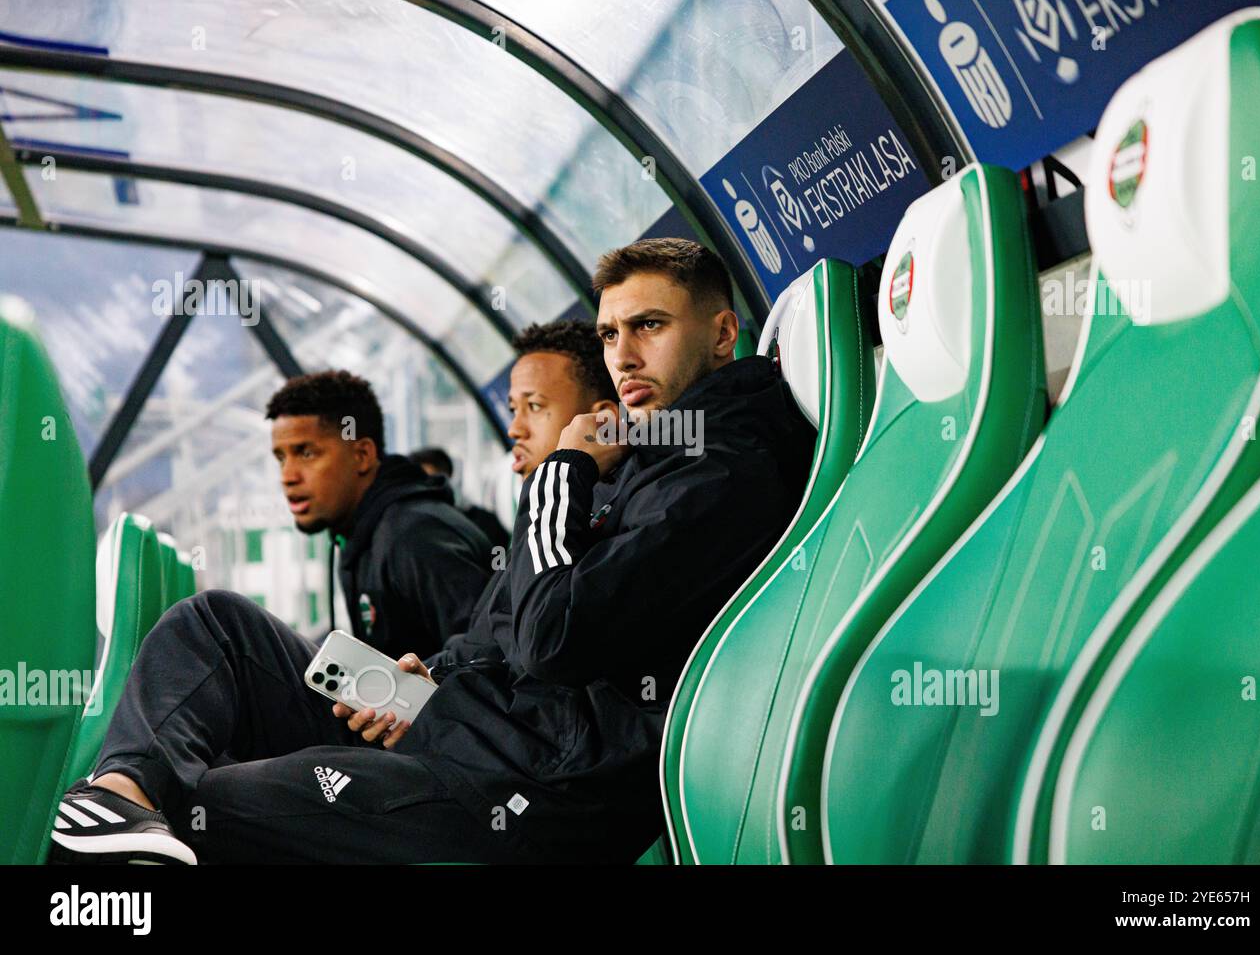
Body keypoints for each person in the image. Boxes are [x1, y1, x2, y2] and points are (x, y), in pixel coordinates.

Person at [47, 240, 814, 865]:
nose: (624, 353)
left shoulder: (718, 470)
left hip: (522, 788)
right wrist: (435, 675)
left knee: (203, 805)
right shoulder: (653, 458)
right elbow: (514, 633)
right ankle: (122, 794)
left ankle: (134, 815)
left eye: (649, 325)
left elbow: (550, 636)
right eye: (611, 333)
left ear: (722, 334)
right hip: (464, 728)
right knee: (214, 626)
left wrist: (562, 473)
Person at [266, 371, 491, 660]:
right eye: (281, 458)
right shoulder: (359, 533)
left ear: (361, 455)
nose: (288, 476)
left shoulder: (415, 535)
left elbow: (487, 659)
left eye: (306, 453)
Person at [409, 446, 511, 553]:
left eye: (429, 482)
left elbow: (499, 563)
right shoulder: (411, 529)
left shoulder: (485, 524)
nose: (422, 490)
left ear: (448, 479)